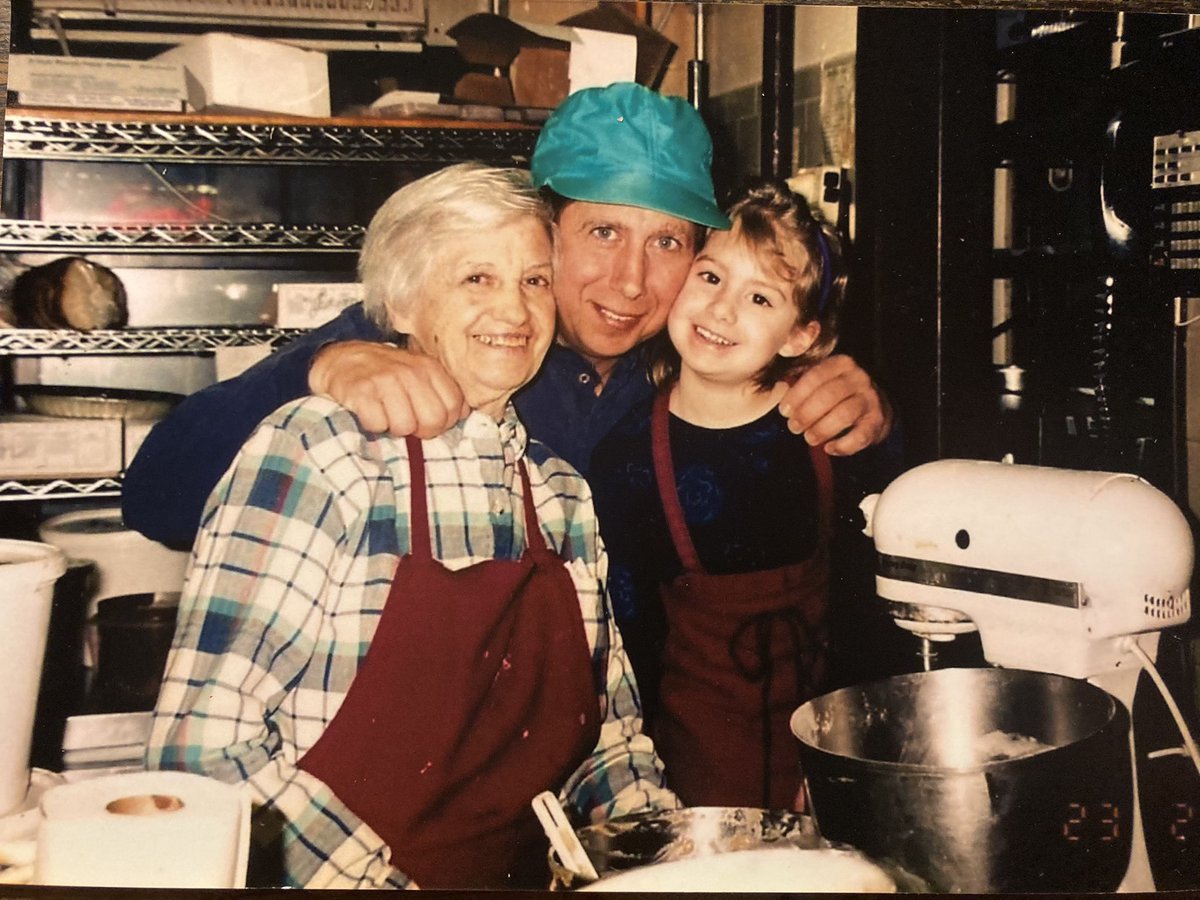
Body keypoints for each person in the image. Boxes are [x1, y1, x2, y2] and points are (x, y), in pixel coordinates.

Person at [145, 163, 679, 890]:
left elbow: (609, 746)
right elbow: (202, 754)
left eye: (532, 280)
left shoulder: (560, 495)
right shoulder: (322, 450)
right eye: (476, 280)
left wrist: (666, 864)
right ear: (401, 304)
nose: (517, 312)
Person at [121, 82, 892, 551]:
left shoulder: (691, 370)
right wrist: (320, 366)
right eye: (601, 232)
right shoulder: (442, 334)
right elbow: (158, 497)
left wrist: (853, 405)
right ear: (544, 228)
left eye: (665, 241)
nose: (629, 280)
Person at [587, 181, 856, 812]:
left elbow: (860, 613)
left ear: (801, 337)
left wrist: (838, 762)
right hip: (693, 782)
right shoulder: (627, 458)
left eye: (759, 296)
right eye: (709, 277)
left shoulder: (827, 433)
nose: (722, 309)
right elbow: (627, 644)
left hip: (821, 769)